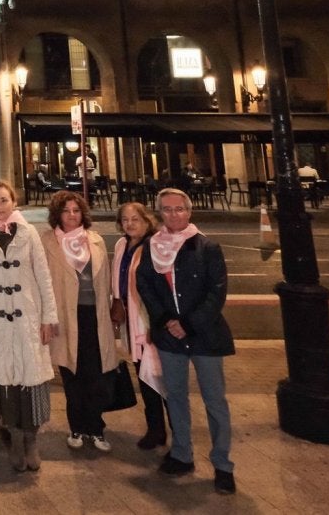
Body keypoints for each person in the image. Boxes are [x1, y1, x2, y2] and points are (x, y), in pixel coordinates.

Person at [136, 188, 237, 496]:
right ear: (160, 214)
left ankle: (222, 464)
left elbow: (216, 293)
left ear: (189, 212)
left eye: (179, 209)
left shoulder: (207, 247)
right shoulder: (152, 248)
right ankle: (182, 454)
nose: (173, 215)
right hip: (171, 337)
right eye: (167, 210)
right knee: (176, 396)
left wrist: (189, 324)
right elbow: (146, 286)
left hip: (204, 336)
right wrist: (168, 320)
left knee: (215, 401)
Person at [0, 181, 57, 473]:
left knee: (30, 377)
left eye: (4, 199)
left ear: (13, 201)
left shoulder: (29, 231)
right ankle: (15, 439)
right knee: (5, 379)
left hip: (28, 314)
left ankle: (32, 438)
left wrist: (49, 317)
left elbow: (43, 275)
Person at [40, 190, 119, 453]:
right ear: (57, 215)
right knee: (72, 375)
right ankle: (77, 427)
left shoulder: (94, 240)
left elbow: (108, 279)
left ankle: (95, 428)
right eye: (66, 211)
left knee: (95, 375)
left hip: (94, 317)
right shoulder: (48, 242)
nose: (72, 216)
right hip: (65, 318)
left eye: (75, 211)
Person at [113, 200, 168, 450]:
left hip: (149, 323)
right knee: (144, 378)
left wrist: (155, 321)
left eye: (135, 219)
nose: (130, 224)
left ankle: (176, 432)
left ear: (147, 220)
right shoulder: (122, 245)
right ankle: (155, 429)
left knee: (161, 379)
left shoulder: (154, 245)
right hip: (131, 323)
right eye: (125, 219)